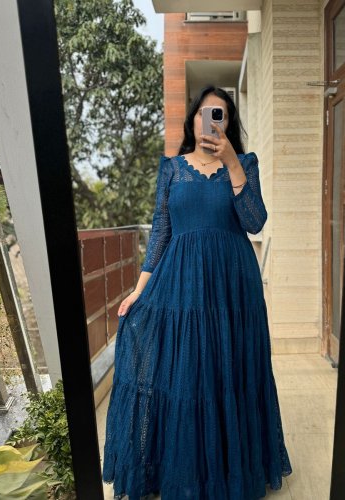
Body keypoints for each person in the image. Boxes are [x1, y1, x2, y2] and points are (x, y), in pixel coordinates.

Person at [102, 85, 292, 500]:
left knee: (230, 371)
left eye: (220, 114)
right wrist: (138, 291)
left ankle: (230, 471)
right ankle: (183, 471)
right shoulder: (172, 168)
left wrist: (232, 162)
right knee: (187, 372)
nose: (211, 121)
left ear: (229, 123)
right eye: (205, 113)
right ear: (192, 120)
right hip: (182, 282)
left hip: (233, 288)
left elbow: (255, 221)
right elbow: (161, 233)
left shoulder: (245, 163)